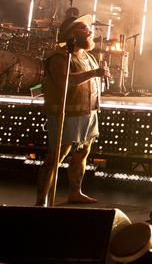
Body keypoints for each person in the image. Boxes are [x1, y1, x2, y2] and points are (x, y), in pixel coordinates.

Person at [36, 13, 110, 206]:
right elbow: (64, 82)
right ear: (72, 34)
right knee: (55, 157)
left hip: (88, 113)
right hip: (66, 114)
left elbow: (91, 80)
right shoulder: (59, 57)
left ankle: (75, 192)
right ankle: (42, 200)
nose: (89, 31)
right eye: (83, 29)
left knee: (82, 153)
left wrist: (100, 75)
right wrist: (94, 73)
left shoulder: (88, 56)